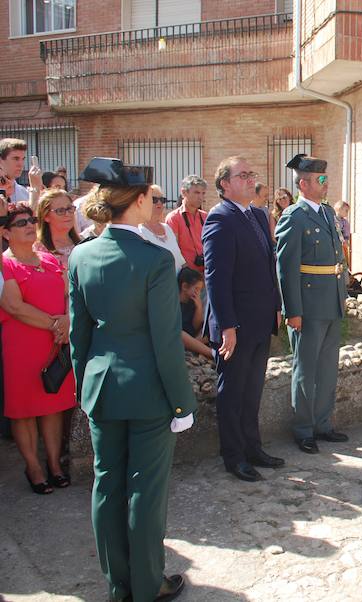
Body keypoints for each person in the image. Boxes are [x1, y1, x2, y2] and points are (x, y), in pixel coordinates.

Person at [69, 157, 195, 602]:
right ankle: (147, 584)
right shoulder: (155, 260)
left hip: (101, 387)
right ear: (138, 201)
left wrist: (85, 388)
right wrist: (183, 404)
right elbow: (165, 342)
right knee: (145, 489)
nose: (154, 203)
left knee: (108, 487)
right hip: (149, 393)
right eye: (151, 197)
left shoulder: (81, 254)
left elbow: (77, 334)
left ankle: (118, 585)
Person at [203, 156, 283, 481]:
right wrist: (226, 327)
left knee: (252, 391)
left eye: (252, 174)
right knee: (233, 393)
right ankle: (234, 457)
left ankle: (253, 448)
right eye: (243, 175)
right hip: (235, 325)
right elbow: (216, 278)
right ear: (224, 184)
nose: (251, 180)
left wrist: (276, 305)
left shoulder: (259, 215)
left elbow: (268, 266)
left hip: (261, 320)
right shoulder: (219, 219)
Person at [275, 154, 349, 455]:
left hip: (331, 301)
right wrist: (292, 310)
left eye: (325, 177)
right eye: (320, 179)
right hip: (307, 305)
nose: (326, 182)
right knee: (305, 370)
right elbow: (285, 267)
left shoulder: (328, 212)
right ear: (303, 184)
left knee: (328, 368)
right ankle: (304, 429)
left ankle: (323, 424)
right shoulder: (294, 216)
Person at [0, 202, 74, 494]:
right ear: (5, 233)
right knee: (25, 410)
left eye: (31, 220)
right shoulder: (4, 265)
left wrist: (68, 320)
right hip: (22, 345)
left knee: (52, 406)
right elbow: (14, 306)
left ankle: (54, 464)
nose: (30, 225)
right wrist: (56, 325)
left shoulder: (50, 259)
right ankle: (33, 466)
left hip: (54, 343)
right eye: (21, 223)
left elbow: (70, 293)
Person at [166, 174, 209, 276]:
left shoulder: (206, 217)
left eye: (203, 193)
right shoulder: (173, 218)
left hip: (206, 273)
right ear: (184, 192)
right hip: (185, 277)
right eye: (197, 192)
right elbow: (173, 249)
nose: (201, 197)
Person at [139, 184, 185, 274]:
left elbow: (180, 260)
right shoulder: (139, 231)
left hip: (176, 284)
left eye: (162, 200)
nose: (159, 203)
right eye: (154, 200)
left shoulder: (167, 228)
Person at [33, 189, 80, 269]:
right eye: (60, 211)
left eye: (69, 208)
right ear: (46, 216)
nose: (67, 214)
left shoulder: (83, 243)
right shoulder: (38, 248)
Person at [177, 267, 213, 360]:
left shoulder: (192, 302)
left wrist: (199, 307)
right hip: (179, 336)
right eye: (197, 289)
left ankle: (193, 346)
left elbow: (196, 326)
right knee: (180, 335)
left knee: (209, 329)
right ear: (184, 286)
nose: (198, 292)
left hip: (193, 337)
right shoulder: (173, 303)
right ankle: (211, 353)